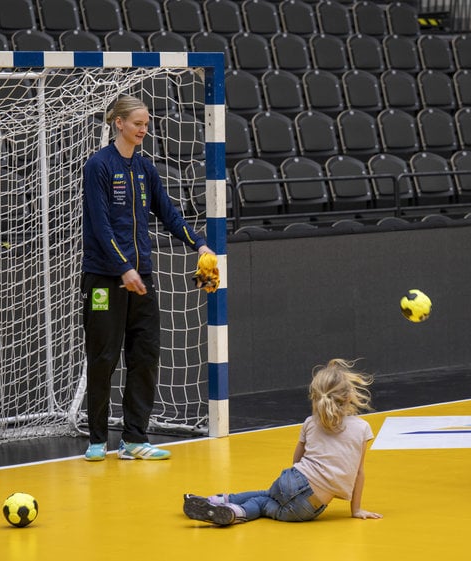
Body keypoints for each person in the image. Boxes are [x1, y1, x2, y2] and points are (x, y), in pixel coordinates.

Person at [81, 95, 215, 462]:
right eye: (138, 123)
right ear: (118, 123)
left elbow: (169, 213)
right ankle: (96, 439)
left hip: (142, 278)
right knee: (103, 357)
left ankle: (134, 439)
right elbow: (100, 224)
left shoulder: (145, 168)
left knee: (145, 355)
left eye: (146, 123)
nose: (144, 129)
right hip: (105, 279)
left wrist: (199, 244)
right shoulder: (99, 166)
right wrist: (123, 268)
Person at [183, 359, 383, 525]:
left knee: (266, 495)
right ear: (348, 396)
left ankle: (215, 500)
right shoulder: (362, 428)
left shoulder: (311, 422)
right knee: (262, 505)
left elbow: (297, 457)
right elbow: (359, 472)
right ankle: (235, 512)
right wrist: (355, 509)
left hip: (293, 478)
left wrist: (296, 480)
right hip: (310, 506)